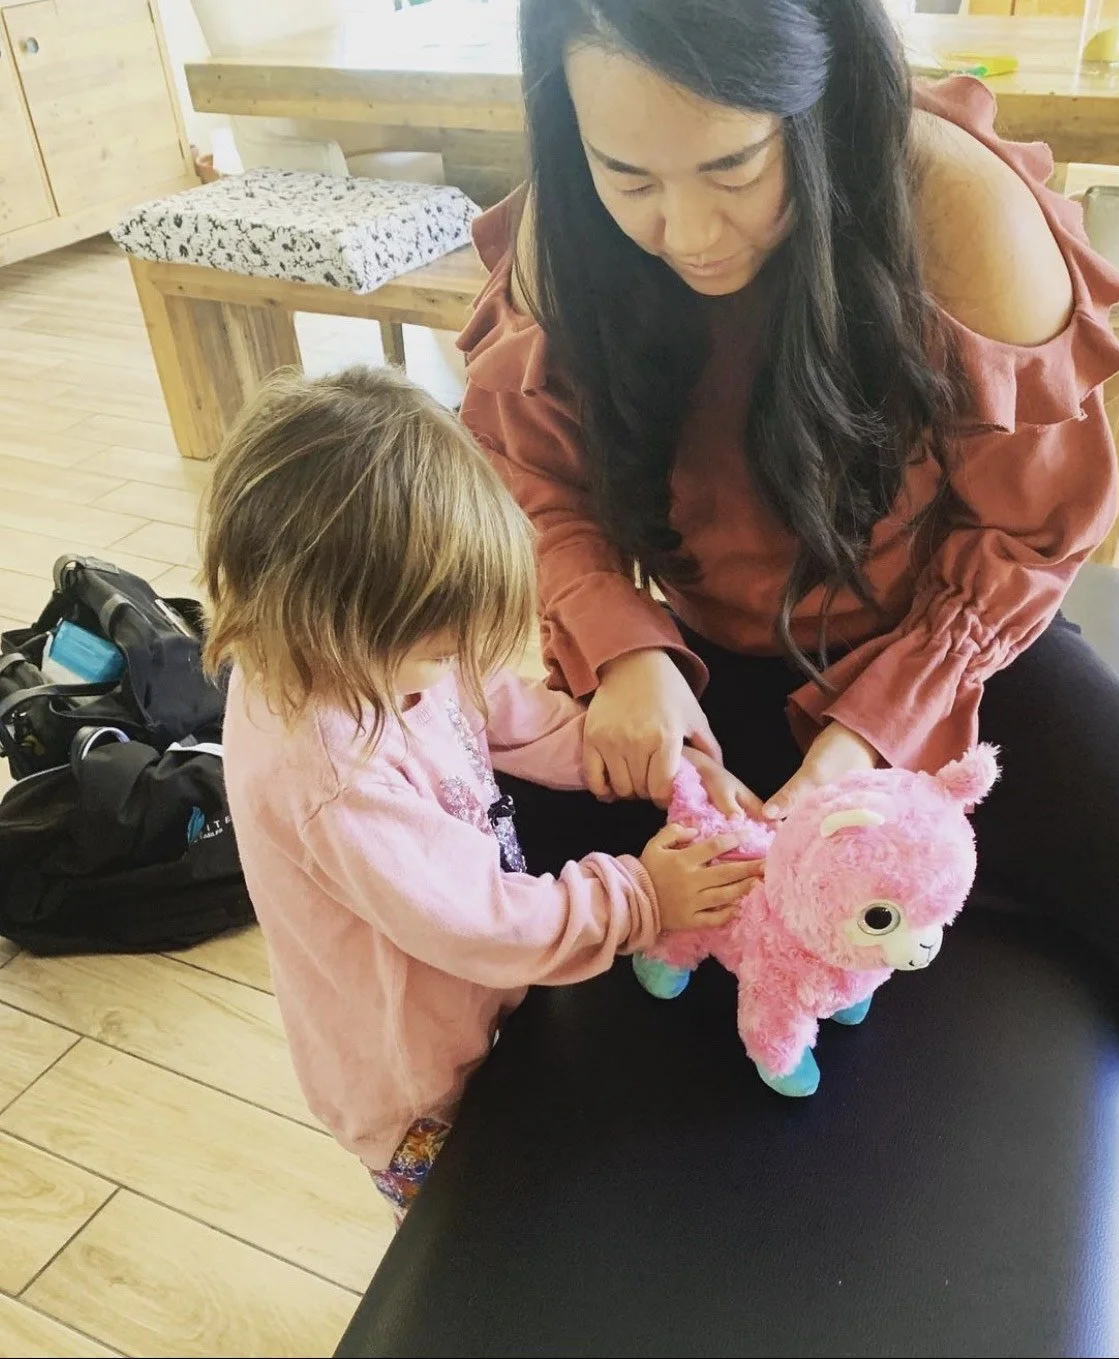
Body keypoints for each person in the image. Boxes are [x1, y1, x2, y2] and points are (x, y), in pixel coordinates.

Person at [455, 1, 1119, 1354]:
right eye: (630, 181)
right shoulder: (569, 217)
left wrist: (865, 742)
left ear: (819, 87)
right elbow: (528, 478)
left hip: (945, 649)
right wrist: (623, 644)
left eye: (733, 167)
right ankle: (524, 1226)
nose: (691, 230)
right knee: (475, 862)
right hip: (686, 661)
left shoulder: (954, 209)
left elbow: (1028, 537)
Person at [205, 366, 764, 1222]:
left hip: (476, 1006)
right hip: (418, 1089)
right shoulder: (330, 777)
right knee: (465, 1237)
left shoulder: (374, 657)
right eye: (438, 647)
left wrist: (645, 759)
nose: (459, 660)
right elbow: (480, 921)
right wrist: (645, 896)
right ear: (335, 630)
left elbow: (490, 703)